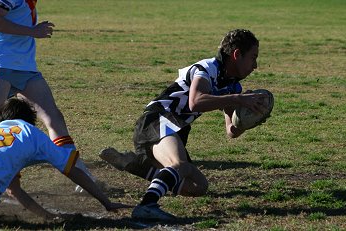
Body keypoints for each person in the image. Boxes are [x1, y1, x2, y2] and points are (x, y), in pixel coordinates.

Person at [100, 29, 269, 221]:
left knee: (198, 186)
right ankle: (147, 205)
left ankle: (131, 163)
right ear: (237, 55)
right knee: (179, 165)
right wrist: (239, 99)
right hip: (157, 119)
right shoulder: (207, 68)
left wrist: (249, 120)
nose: (255, 65)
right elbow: (195, 102)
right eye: (253, 57)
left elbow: (231, 131)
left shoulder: (233, 86)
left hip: (175, 129)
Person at [0, 0, 96, 218]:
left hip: (25, 68)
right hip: (0, 65)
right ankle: (10, 181)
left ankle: (79, 171)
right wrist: (33, 31)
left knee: (54, 118)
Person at [0, 98, 131, 219]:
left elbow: (13, 190)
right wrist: (106, 202)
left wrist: (48, 216)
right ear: (30, 119)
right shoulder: (32, 133)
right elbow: (72, 170)